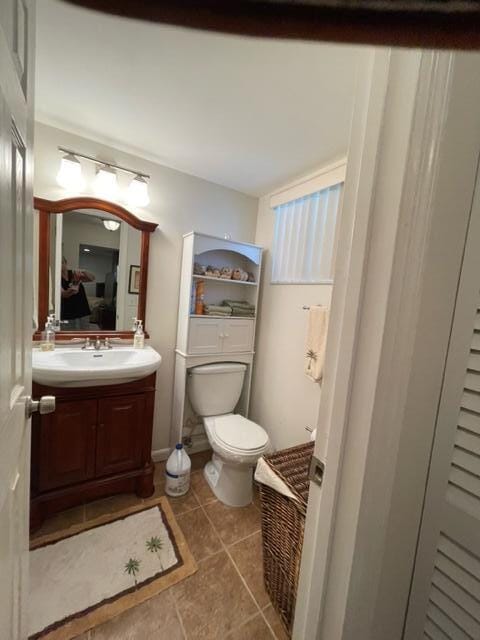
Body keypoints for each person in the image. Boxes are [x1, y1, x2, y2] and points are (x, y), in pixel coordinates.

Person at [61, 257, 95, 330]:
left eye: (62, 262)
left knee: (85, 333)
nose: (61, 265)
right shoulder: (58, 278)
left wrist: (84, 271)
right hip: (68, 312)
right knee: (70, 334)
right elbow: (64, 295)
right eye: (59, 263)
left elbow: (92, 278)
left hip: (82, 309)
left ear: (66, 263)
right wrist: (73, 290)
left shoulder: (74, 273)